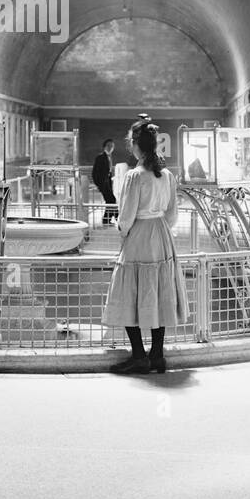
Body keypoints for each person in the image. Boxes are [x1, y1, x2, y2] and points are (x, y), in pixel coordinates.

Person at [101, 117, 191, 374]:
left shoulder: (135, 176)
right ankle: (157, 355)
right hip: (161, 235)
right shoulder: (167, 175)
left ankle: (139, 355)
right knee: (160, 291)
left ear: (135, 145)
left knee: (128, 291)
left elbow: (126, 216)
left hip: (139, 236)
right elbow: (172, 215)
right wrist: (160, 226)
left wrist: (122, 230)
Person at [92, 139, 118, 225]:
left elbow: (109, 172)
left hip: (108, 184)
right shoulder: (100, 157)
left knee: (110, 201)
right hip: (103, 184)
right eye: (108, 146)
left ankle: (107, 219)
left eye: (112, 146)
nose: (110, 148)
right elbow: (94, 173)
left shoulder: (109, 157)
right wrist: (99, 185)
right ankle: (117, 218)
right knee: (111, 200)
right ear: (104, 147)